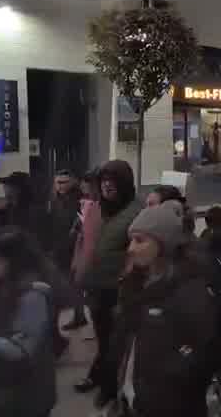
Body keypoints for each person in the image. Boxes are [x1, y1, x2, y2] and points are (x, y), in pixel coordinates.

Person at [109, 200, 220, 417]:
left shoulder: (190, 289)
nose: (131, 248)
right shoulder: (133, 284)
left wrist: (166, 381)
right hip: (133, 400)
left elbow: (204, 353)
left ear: (164, 244)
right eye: (131, 240)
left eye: (140, 240)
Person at [75, 160, 142, 408]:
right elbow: (86, 242)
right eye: (103, 180)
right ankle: (105, 382)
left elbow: (137, 253)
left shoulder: (136, 211)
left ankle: (113, 390)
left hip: (120, 290)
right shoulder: (97, 209)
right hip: (97, 288)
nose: (107, 185)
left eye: (112, 180)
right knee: (104, 341)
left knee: (118, 343)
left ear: (124, 183)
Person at [0, 227, 56, 417]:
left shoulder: (32, 296)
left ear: (10, 261)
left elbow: (20, 351)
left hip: (29, 395)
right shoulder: (5, 283)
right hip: (14, 385)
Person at [46, 170, 86, 331]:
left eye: (64, 182)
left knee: (75, 283)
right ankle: (77, 315)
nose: (61, 186)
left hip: (74, 246)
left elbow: (82, 222)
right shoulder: (53, 199)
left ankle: (79, 315)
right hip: (58, 245)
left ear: (71, 183)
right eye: (58, 182)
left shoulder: (78, 199)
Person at [67, 170, 103, 330]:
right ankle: (79, 316)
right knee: (76, 282)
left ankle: (90, 319)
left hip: (91, 248)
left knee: (88, 286)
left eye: (86, 183)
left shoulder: (98, 204)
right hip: (81, 246)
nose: (83, 186)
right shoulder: (85, 201)